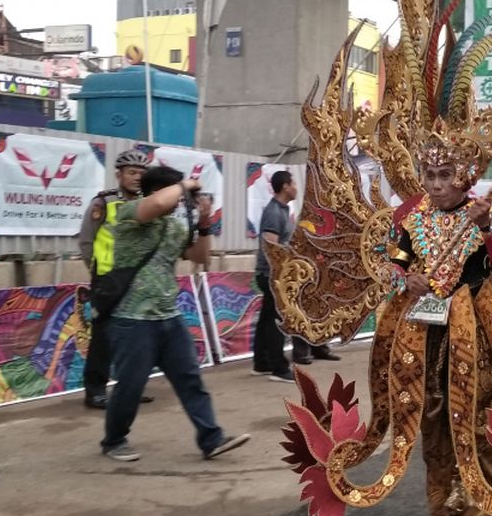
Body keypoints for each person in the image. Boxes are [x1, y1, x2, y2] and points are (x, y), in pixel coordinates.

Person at [386, 151, 492, 516]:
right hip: (428, 332)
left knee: (475, 409)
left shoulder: (483, 213)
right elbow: (397, 261)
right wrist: (407, 278)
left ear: (464, 177)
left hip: (473, 331)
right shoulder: (415, 218)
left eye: (445, 175)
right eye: (430, 174)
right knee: (433, 413)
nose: (436, 184)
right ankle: (442, 501)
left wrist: (488, 227)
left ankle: (480, 496)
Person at [100, 165, 250, 463]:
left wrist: (205, 222)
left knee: (190, 379)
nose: (182, 202)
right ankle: (114, 440)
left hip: (168, 315)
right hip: (132, 318)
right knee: (130, 385)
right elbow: (155, 204)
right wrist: (186, 183)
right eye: (178, 195)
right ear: (161, 191)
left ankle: (211, 439)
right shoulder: (129, 213)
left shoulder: (174, 227)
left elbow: (200, 258)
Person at [77, 149, 153, 410]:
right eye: (132, 173)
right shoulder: (104, 203)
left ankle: (128, 388)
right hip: (108, 281)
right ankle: (95, 391)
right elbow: (87, 241)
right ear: (119, 175)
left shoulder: (147, 203)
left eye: (142, 174)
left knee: (134, 338)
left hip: (136, 280)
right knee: (103, 338)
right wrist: (98, 272)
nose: (137, 178)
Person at [254, 170, 339, 381]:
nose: (296, 187)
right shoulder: (273, 212)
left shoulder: (283, 210)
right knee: (278, 319)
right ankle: (278, 368)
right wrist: (281, 272)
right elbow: (270, 244)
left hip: (276, 273)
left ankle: (261, 363)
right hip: (272, 274)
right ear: (285, 186)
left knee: (266, 319)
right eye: (293, 183)